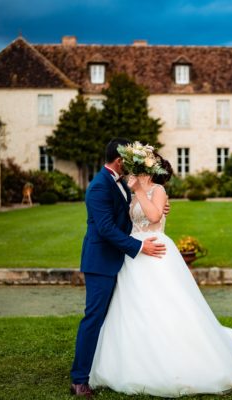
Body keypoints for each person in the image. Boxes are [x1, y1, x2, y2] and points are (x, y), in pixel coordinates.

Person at [89, 154, 232, 397]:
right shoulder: (125, 187)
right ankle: (132, 361)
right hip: (133, 251)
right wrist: (133, 190)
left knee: (168, 304)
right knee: (133, 307)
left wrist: (138, 191)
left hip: (156, 250)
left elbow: (155, 217)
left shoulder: (158, 190)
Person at [70, 138, 167, 397]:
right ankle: (79, 379)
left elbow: (132, 212)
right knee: (94, 319)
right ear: (120, 160)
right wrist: (139, 248)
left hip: (119, 261)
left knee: (120, 318)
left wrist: (159, 206)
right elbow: (106, 229)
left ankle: (121, 367)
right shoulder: (100, 186)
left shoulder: (121, 183)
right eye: (130, 159)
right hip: (101, 262)